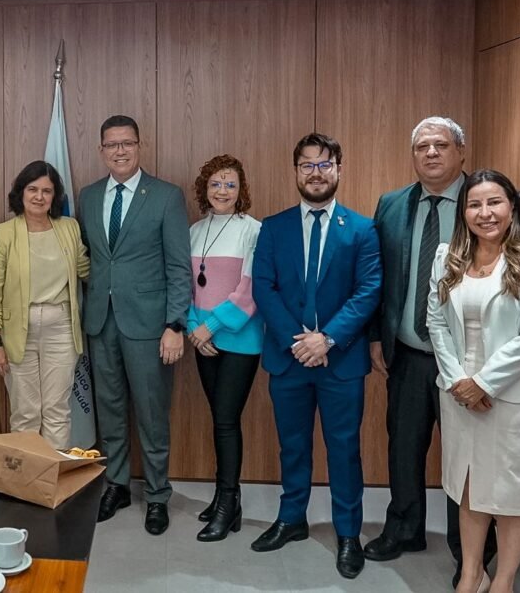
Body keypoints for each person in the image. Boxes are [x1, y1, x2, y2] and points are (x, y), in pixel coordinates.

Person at [365, 116, 495, 586]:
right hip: (408, 352)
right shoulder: (393, 204)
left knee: (467, 459)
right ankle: (404, 529)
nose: (432, 153)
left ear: (461, 152)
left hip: (469, 363)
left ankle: (472, 552)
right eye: (423, 146)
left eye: (442, 145)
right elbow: (378, 278)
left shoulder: (487, 201)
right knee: (403, 449)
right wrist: (376, 336)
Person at [250, 132, 381, 579]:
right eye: (307, 165)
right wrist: (298, 340)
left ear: (339, 170)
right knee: (293, 446)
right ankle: (292, 520)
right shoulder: (274, 226)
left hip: (340, 361)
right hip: (288, 360)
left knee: (344, 450)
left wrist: (326, 339)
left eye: (324, 164)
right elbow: (263, 288)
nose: (316, 173)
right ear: (296, 172)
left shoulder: (362, 229)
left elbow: (368, 291)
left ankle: (348, 534)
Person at [428, 170, 520, 593]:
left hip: (515, 397)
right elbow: (435, 321)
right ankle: (472, 573)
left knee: (510, 495)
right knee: (469, 488)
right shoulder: (447, 255)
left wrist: (484, 383)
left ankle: (503, 581)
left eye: (494, 202)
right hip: (459, 394)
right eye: (474, 204)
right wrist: (458, 381)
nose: (484, 213)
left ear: (513, 206)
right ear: (463, 211)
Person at [78, 114, 191, 536]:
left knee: (151, 412)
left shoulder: (165, 196)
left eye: (127, 143)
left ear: (139, 146)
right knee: (108, 411)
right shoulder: (88, 196)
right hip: (100, 322)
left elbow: (179, 266)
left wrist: (175, 324)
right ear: (101, 150)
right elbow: (88, 258)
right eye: (112, 144)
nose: (120, 151)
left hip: (150, 326)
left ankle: (158, 495)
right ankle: (117, 484)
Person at [0, 161, 90, 449]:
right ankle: (26, 486)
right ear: (21, 193)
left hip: (61, 329)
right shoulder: (2, 234)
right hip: (17, 332)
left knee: (57, 411)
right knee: (25, 413)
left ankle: (54, 483)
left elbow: (86, 269)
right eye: (32, 189)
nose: (39, 197)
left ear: (55, 196)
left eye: (47, 190)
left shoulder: (69, 228)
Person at [186, 154, 263, 542]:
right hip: (203, 341)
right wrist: (192, 328)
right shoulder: (194, 231)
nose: (222, 191)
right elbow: (186, 286)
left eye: (230, 184)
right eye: (216, 183)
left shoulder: (253, 230)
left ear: (241, 190)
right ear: (205, 188)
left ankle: (230, 502)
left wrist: (210, 327)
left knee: (227, 420)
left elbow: (248, 292)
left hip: (239, 340)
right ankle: (222, 498)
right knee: (219, 419)